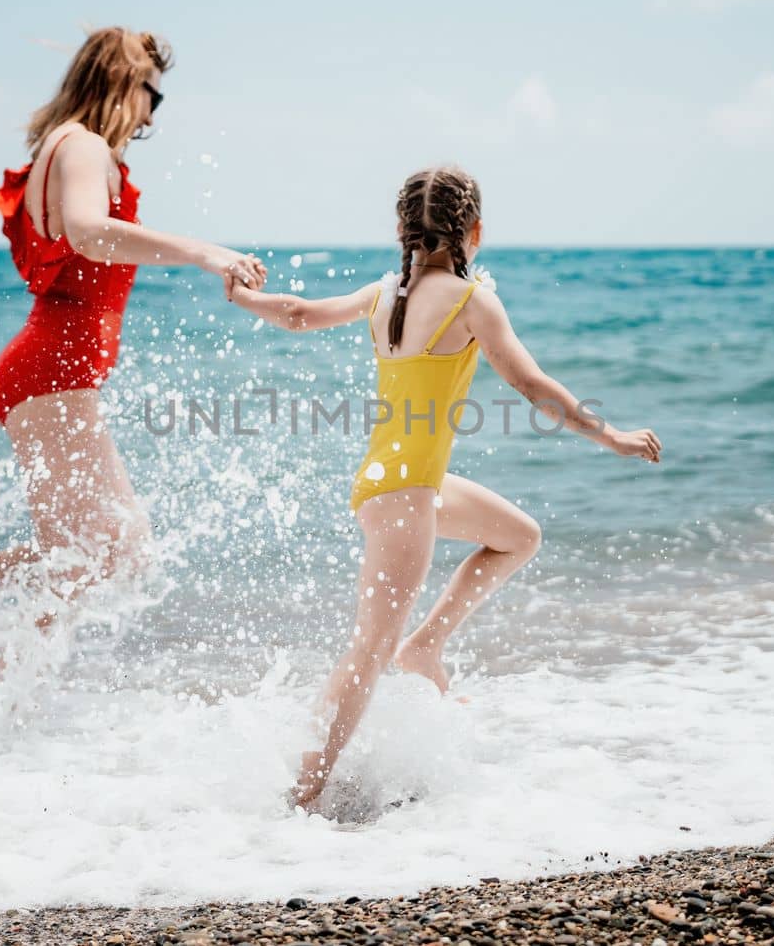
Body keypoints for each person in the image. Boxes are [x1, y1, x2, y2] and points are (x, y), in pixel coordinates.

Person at [223, 164, 660, 807]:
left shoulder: (384, 292)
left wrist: (243, 298)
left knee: (517, 536)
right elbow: (532, 385)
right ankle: (300, 793)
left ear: (402, 229)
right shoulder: (469, 297)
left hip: (400, 484)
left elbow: (295, 313)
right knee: (366, 654)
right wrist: (611, 435)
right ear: (474, 229)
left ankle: (424, 646)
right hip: (404, 498)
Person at [0, 27, 267, 651]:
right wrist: (202, 251)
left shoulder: (71, 145)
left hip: (52, 372)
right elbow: (88, 233)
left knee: (101, 552)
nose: (153, 115)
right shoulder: (82, 147)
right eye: (153, 96)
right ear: (125, 82)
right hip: (49, 371)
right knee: (107, 553)